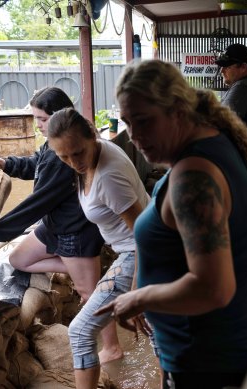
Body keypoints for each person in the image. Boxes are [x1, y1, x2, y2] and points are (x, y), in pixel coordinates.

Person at [93, 59, 247, 389]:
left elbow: (214, 288)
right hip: (232, 340)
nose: (135, 136)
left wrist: (141, 299)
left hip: (203, 358)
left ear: (179, 111)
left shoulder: (192, 179)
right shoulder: (225, 144)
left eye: (144, 121)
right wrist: (241, 244)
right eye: (128, 122)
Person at [0, 87, 124, 363]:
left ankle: (112, 346)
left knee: (90, 294)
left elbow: (39, 201)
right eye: (36, 119)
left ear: (58, 117)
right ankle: (78, 269)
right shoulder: (52, 142)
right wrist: (4, 163)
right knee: (19, 258)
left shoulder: (64, 150)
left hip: (75, 231)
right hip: (55, 225)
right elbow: (36, 164)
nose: (39, 125)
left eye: (42, 119)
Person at [47, 107, 150, 389]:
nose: (72, 162)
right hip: (132, 250)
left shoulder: (108, 177)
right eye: (63, 156)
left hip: (142, 252)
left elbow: (144, 235)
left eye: (77, 153)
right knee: (164, 336)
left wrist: (138, 291)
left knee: (80, 332)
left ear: (93, 135)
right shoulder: (93, 154)